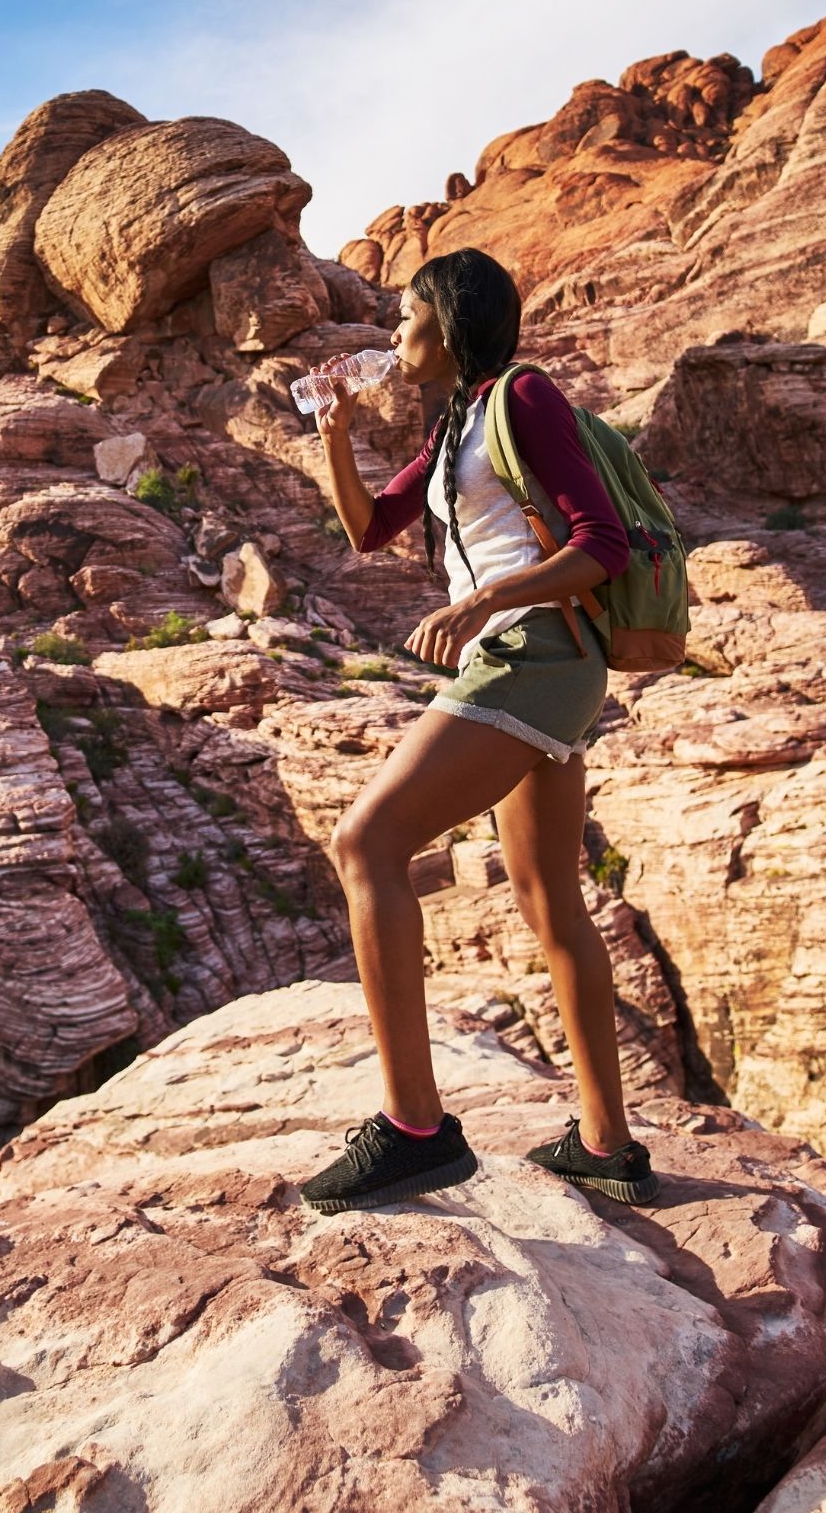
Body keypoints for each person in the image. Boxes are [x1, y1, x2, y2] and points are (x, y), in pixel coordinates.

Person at [294, 246, 657, 1214]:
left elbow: (601, 542)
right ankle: (605, 1141)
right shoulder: (457, 421)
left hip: (533, 652)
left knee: (365, 840)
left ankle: (415, 1130)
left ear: (449, 324)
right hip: (543, 665)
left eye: (407, 316)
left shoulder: (522, 398)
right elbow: (371, 526)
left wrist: (482, 600)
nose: (394, 335)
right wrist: (334, 432)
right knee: (551, 903)